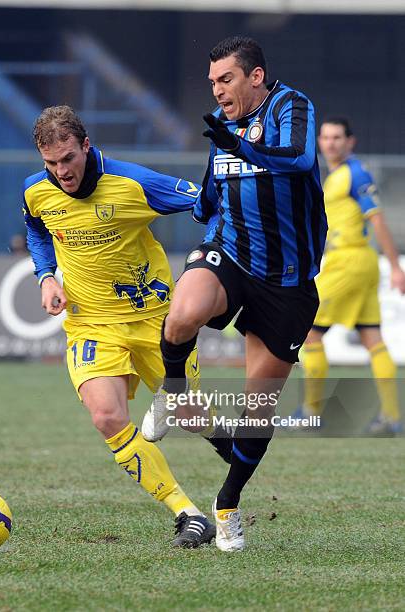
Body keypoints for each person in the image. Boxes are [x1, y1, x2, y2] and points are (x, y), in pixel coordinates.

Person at [142, 36, 327, 552]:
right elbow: (209, 194)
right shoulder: (222, 129)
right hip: (231, 254)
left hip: (287, 282)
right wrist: (171, 201)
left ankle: (227, 504)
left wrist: (239, 146)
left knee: (257, 409)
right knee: (182, 315)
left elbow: (298, 158)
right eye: (212, 82)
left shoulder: (292, 106)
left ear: (256, 77)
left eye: (226, 79)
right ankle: (174, 393)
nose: (217, 90)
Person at [22, 105, 216, 547]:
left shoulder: (133, 183)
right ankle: (187, 513)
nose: (61, 172)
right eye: (50, 163)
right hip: (91, 323)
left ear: (86, 146)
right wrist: (46, 275)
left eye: (68, 158)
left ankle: (236, 471)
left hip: (155, 321)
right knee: (107, 416)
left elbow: (207, 202)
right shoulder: (37, 190)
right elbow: (36, 228)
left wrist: (206, 263)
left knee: (193, 417)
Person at [296, 117, 405, 434]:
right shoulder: (336, 176)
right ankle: (391, 417)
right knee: (373, 338)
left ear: (350, 142)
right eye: (326, 137)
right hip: (361, 262)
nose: (330, 143)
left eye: (337, 138)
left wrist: (396, 267)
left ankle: (310, 414)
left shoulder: (354, 174)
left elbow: (378, 219)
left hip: (349, 261)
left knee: (311, 333)